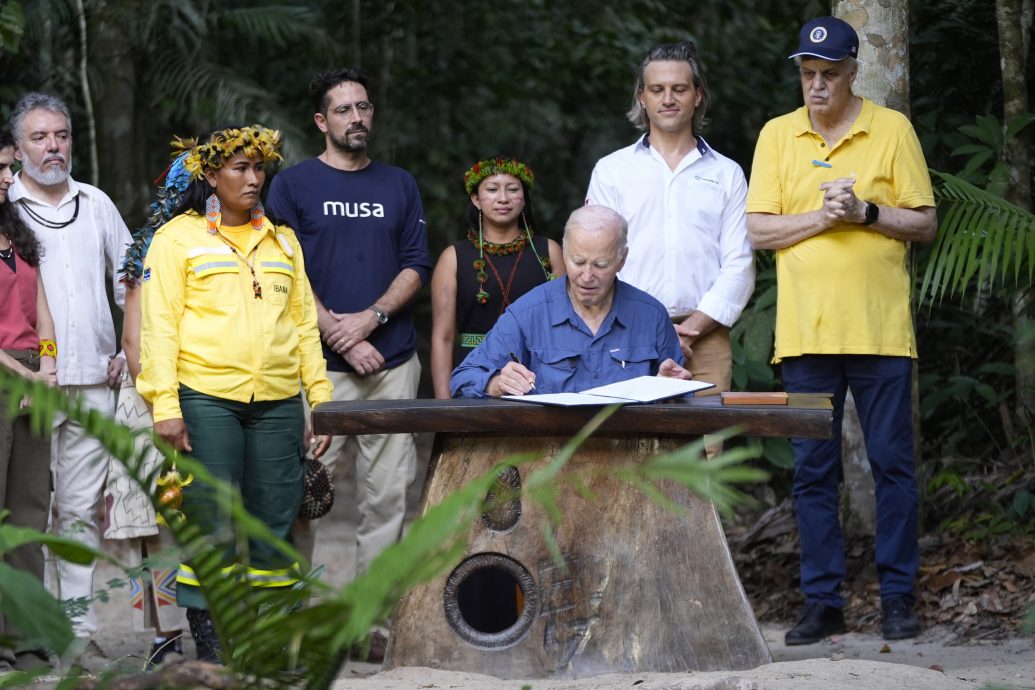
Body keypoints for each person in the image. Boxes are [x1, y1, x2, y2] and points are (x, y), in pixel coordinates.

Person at [745, 17, 937, 645]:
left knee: (893, 467)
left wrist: (867, 213)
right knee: (812, 472)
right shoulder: (778, 135)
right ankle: (822, 603)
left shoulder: (892, 129)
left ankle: (898, 599)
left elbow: (925, 222)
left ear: (855, 70)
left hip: (881, 332)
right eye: (808, 74)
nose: (817, 85)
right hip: (805, 336)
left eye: (829, 73)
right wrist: (825, 221)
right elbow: (759, 231)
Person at [136, 125, 332, 662]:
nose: (253, 178)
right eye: (239, 169)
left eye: (258, 168)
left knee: (275, 521)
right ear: (210, 175)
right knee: (213, 522)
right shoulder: (178, 238)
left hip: (276, 404)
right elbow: (159, 329)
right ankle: (214, 645)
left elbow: (303, 327)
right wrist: (166, 407)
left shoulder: (282, 240)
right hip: (205, 399)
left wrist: (320, 400)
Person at [266, 67, 432, 660]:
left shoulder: (399, 184)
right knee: (304, 494)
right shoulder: (291, 186)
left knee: (388, 499)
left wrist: (372, 321)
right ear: (321, 121)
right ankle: (292, 619)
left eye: (363, 106)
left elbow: (417, 262)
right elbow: (280, 267)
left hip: (392, 364)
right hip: (315, 368)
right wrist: (338, 329)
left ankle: (372, 624)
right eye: (343, 110)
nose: (356, 117)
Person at [8, 92, 132, 667]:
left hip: (94, 379)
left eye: (61, 135)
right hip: (25, 384)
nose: (53, 146)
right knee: (24, 510)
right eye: (39, 137)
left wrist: (128, 351)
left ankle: (75, 638)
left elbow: (130, 279)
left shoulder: (97, 202)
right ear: (17, 147)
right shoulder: (5, 204)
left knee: (81, 511)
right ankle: (22, 635)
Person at [586, 41, 754, 394]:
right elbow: (597, 257)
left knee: (709, 449)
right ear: (642, 97)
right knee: (629, 446)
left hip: (706, 340)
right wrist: (651, 327)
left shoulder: (727, 173)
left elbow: (739, 263)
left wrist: (691, 328)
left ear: (697, 95)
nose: (668, 99)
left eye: (679, 89)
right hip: (626, 337)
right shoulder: (612, 171)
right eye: (657, 90)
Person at [451, 205, 690, 398]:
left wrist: (670, 388)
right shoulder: (528, 313)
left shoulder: (651, 315)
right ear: (564, 253)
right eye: (577, 261)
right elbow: (463, 378)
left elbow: (680, 396)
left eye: (601, 265)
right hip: (549, 453)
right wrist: (495, 383)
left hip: (631, 451)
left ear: (622, 260)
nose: (587, 276)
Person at [103, 152, 192, 668]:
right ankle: (161, 630)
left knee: (198, 517)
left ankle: (207, 619)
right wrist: (164, 400)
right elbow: (133, 344)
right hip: (149, 396)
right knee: (150, 523)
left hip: (203, 390)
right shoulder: (147, 247)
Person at [430, 156, 563, 398]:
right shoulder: (453, 258)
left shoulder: (549, 251)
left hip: (538, 373)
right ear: (476, 199)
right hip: (472, 372)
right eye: (492, 189)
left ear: (523, 199)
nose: (503, 198)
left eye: (512, 189)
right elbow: (443, 336)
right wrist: (444, 404)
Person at [0, 128, 58, 675]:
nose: (5, 178)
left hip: (33, 375)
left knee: (28, 510)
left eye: (5, 167)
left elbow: (41, 304)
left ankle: (27, 638)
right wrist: (23, 375)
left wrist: (51, 361)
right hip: (4, 376)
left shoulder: (16, 230)